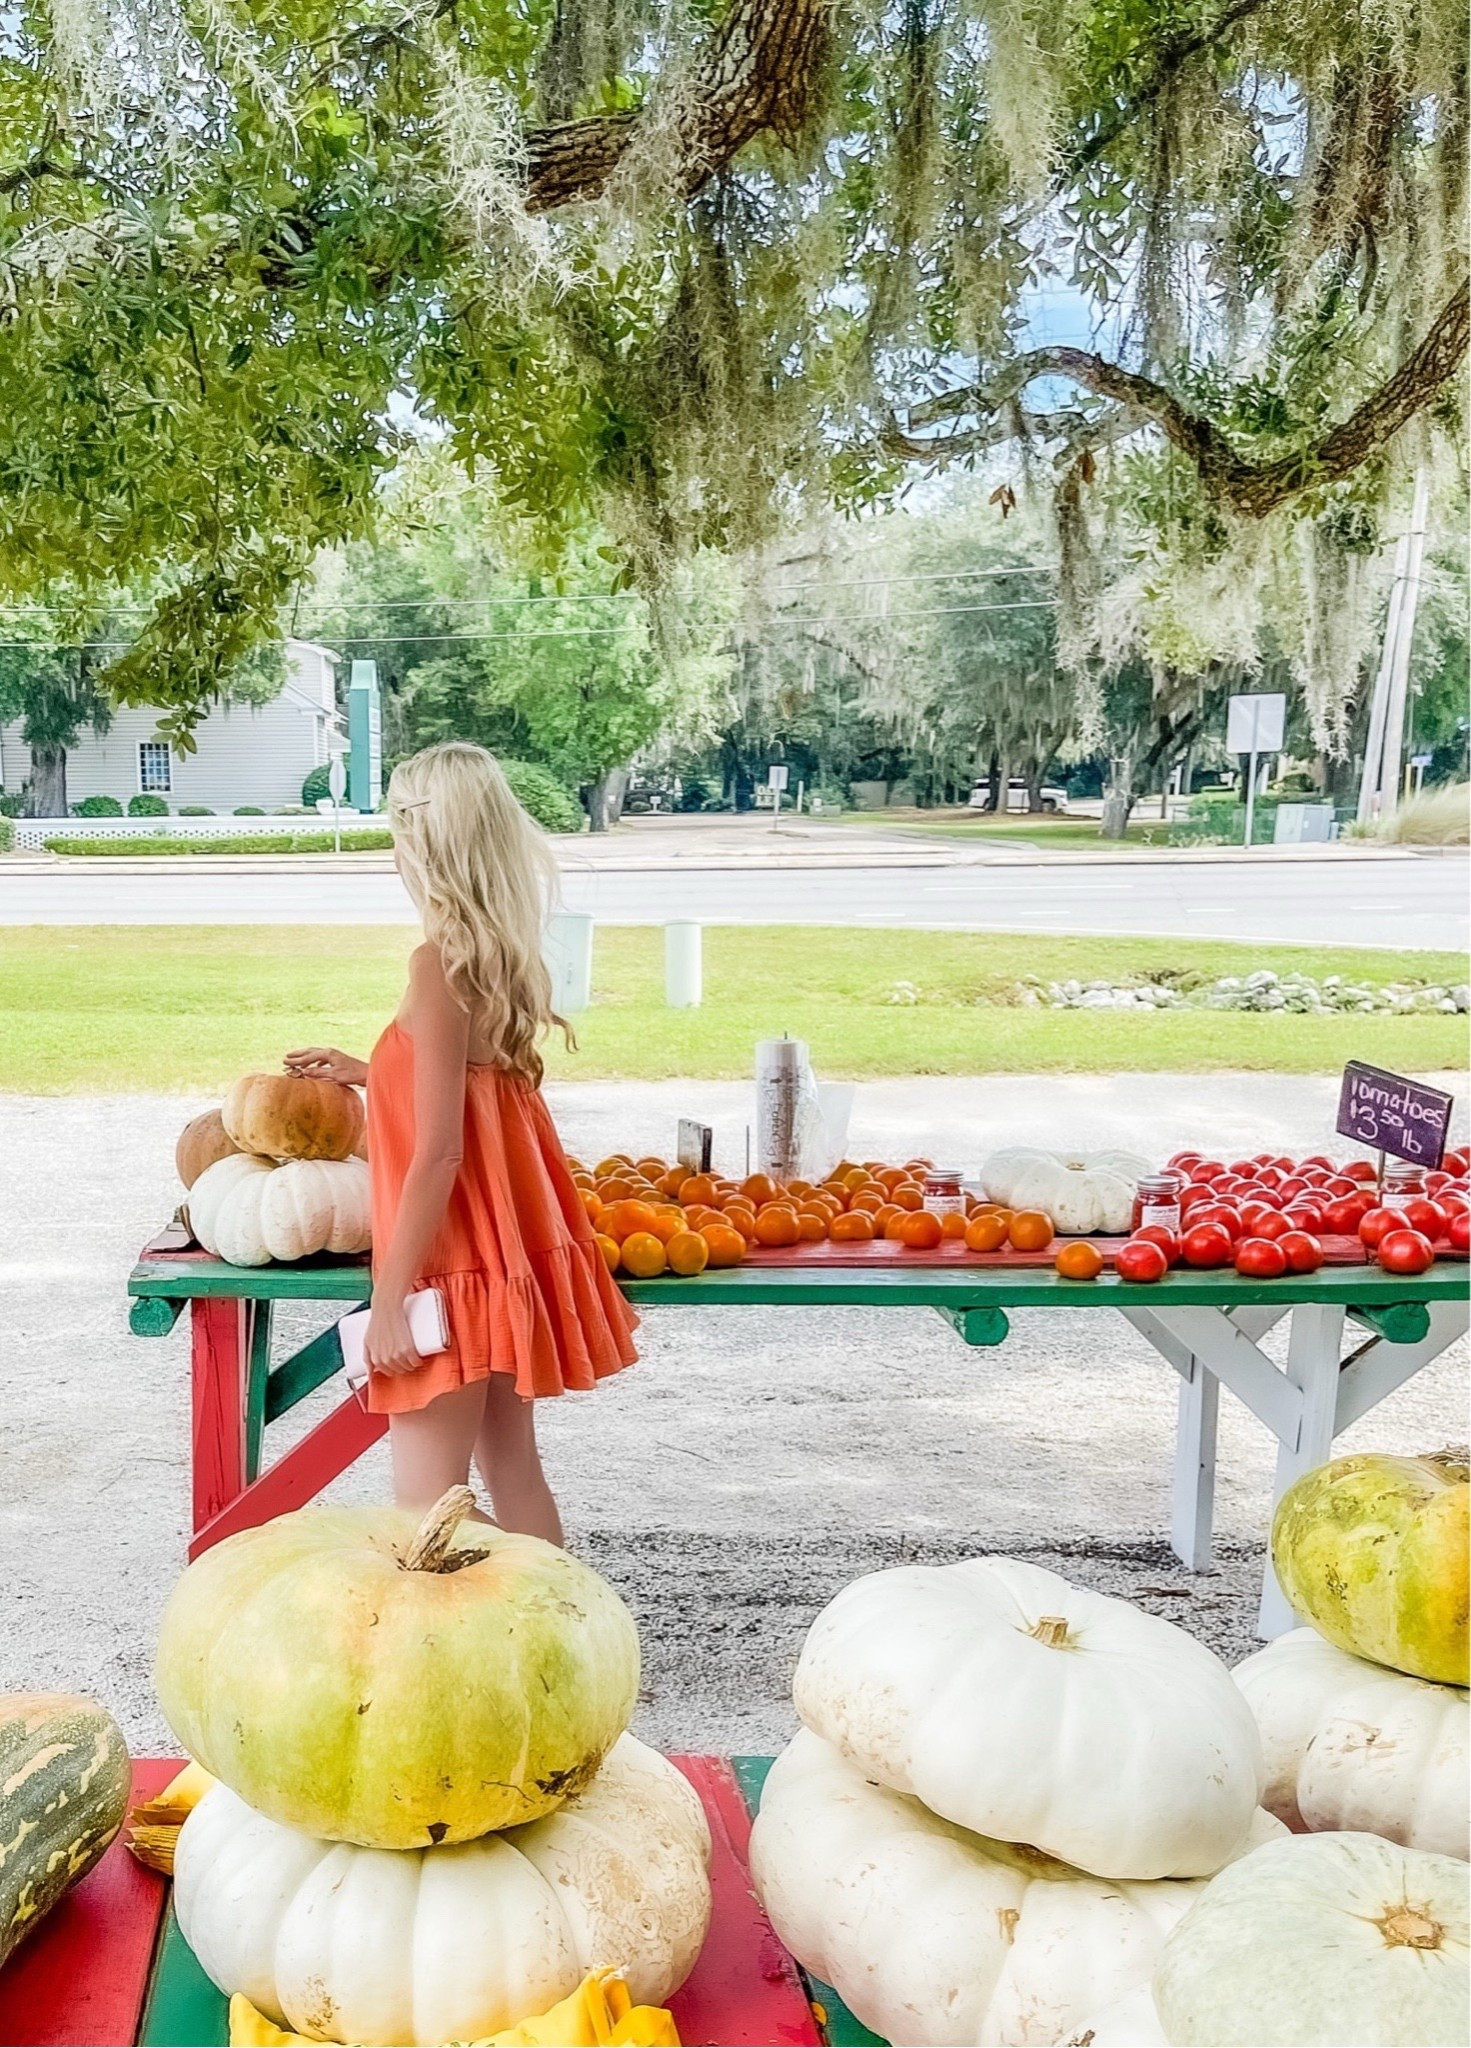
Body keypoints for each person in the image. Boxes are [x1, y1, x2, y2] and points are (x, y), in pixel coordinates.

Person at [285, 742, 636, 1543]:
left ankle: (471, 1650)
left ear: (423, 844)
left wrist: (386, 1306)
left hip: (448, 1276)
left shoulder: (437, 968)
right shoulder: (497, 962)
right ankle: (560, 1643)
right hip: (499, 1266)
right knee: (513, 1474)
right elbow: (473, 1098)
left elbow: (440, 1154)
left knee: (422, 1511)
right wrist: (374, 1069)